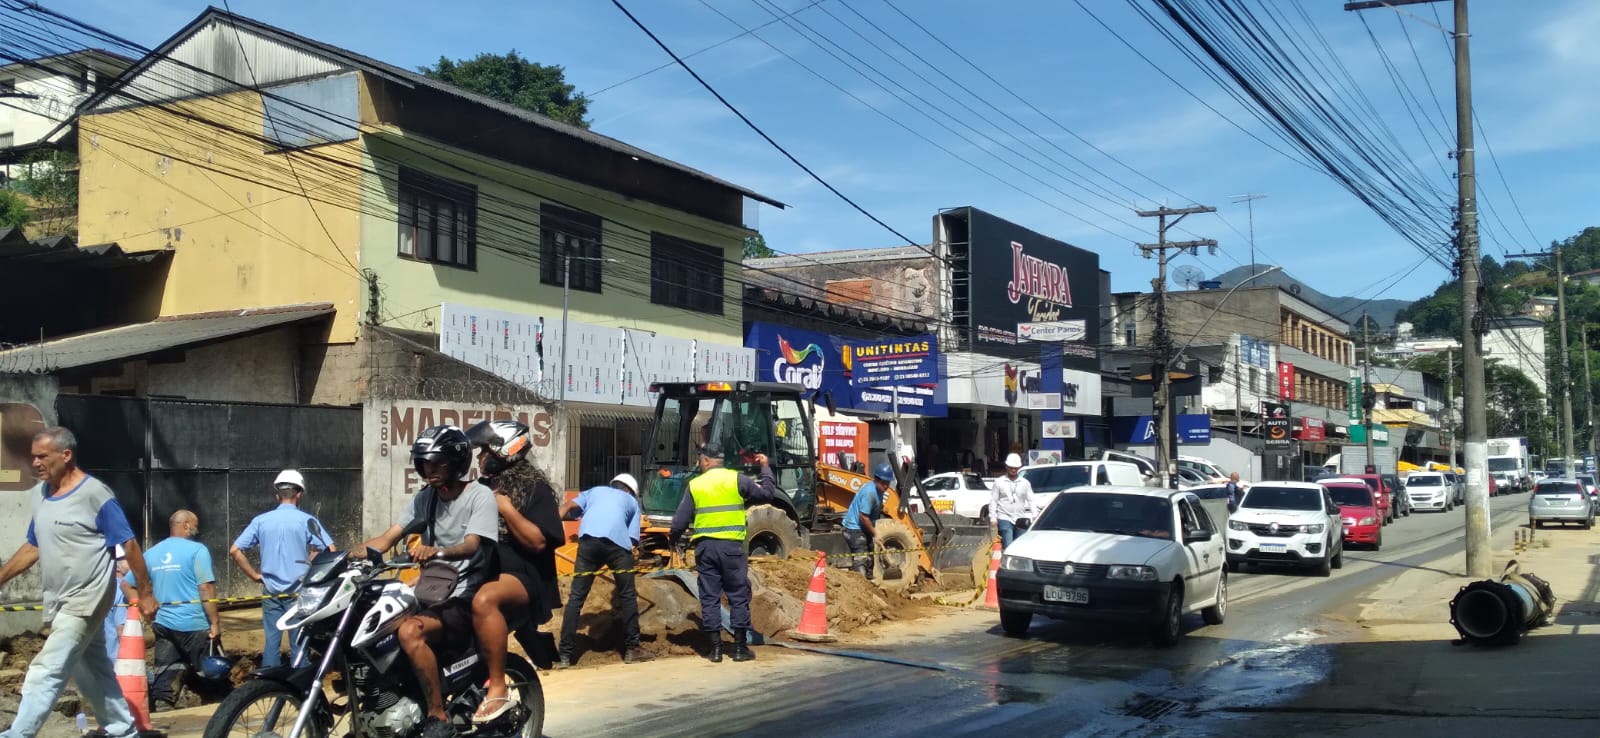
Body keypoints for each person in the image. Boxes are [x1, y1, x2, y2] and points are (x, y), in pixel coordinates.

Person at [0, 427, 156, 738]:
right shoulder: (41, 495)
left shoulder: (94, 494)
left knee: (47, 668)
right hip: (59, 599)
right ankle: (124, 730)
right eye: (33, 457)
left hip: (87, 598)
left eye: (42, 456)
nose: (35, 463)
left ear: (66, 455)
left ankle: (18, 734)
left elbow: (129, 544)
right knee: (92, 671)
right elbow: (33, 546)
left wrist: (146, 592)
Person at [359, 425, 498, 738]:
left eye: (437, 462)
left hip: (463, 594)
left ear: (457, 463)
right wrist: (349, 554)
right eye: (424, 463)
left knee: (410, 631)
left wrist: (438, 550)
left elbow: (473, 544)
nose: (428, 469)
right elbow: (387, 538)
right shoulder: (427, 498)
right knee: (374, 625)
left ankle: (437, 713)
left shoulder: (480, 496)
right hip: (430, 592)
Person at [463, 420, 565, 725]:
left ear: (504, 451)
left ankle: (498, 688)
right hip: (486, 571)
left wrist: (506, 508)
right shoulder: (480, 488)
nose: (480, 457)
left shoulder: (534, 489)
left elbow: (538, 542)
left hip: (526, 578)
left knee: (484, 601)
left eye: (485, 450)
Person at [669, 444, 777, 663]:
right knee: (738, 595)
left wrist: (674, 540)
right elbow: (767, 493)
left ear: (707, 460)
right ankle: (739, 648)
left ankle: (715, 649)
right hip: (732, 548)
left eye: (700, 460)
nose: (699, 464)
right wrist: (765, 467)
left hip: (705, 548)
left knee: (709, 597)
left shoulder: (696, 485)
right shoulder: (737, 480)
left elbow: (679, 521)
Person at [229, 469, 336, 668]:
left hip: (270, 591)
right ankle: (301, 690)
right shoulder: (307, 521)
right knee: (299, 643)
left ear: (277, 495)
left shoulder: (260, 521)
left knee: (271, 643)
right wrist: (309, 563)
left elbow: (235, 550)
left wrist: (254, 576)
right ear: (299, 495)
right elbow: (329, 548)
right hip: (298, 592)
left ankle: (270, 685)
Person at [556, 472, 644, 669]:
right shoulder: (631, 501)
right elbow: (632, 540)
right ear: (630, 490)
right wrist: (617, 557)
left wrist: (552, 527)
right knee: (628, 596)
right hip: (618, 548)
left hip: (587, 543)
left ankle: (565, 655)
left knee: (576, 599)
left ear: (613, 484)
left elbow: (569, 506)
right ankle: (632, 649)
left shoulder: (595, 491)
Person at [136, 510, 220, 711]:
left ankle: (163, 703)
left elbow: (128, 584)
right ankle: (222, 705)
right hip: (195, 622)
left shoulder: (151, 553)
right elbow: (205, 588)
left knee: (168, 665)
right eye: (195, 525)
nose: (197, 530)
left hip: (163, 624)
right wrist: (215, 622)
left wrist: (144, 606)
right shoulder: (198, 551)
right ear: (185, 525)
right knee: (211, 668)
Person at [841, 464, 892, 578]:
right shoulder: (870, 493)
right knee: (861, 559)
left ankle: (869, 582)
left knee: (872, 556)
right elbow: (863, 517)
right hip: (854, 529)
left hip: (864, 527)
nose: (886, 486)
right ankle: (860, 584)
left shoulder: (880, 490)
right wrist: (875, 533)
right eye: (884, 483)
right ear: (877, 480)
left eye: (888, 483)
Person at [989, 454, 1036, 549]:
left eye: (1015, 468)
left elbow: (1031, 499)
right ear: (1007, 467)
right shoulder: (999, 482)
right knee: (1008, 544)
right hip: (1004, 517)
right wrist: (993, 518)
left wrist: (1035, 514)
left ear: (1019, 468)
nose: (1013, 470)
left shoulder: (1025, 483)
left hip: (1020, 517)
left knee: (1019, 546)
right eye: (1011, 468)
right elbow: (993, 500)